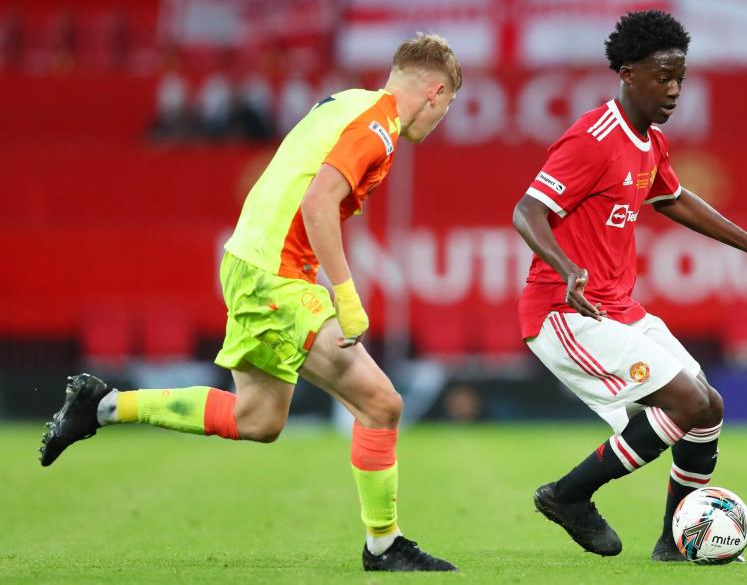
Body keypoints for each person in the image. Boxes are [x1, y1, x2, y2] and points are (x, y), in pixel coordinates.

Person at [39, 33, 461, 573]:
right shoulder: (377, 126)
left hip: (253, 263)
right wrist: (348, 297)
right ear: (435, 90)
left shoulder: (350, 101)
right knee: (382, 404)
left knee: (257, 418)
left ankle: (101, 405)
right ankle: (384, 544)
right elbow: (318, 203)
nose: (441, 117)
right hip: (275, 273)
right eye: (446, 107)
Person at [512, 10, 747, 561]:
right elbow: (527, 211)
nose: (675, 89)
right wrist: (567, 270)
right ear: (628, 73)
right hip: (565, 312)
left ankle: (674, 545)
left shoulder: (648, 141)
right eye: (663, 77)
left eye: (680, 77)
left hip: (617, 309)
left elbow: (674, 198)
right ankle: (568, 496)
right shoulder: (594, 137)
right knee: (685, 400)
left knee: (708, 406)